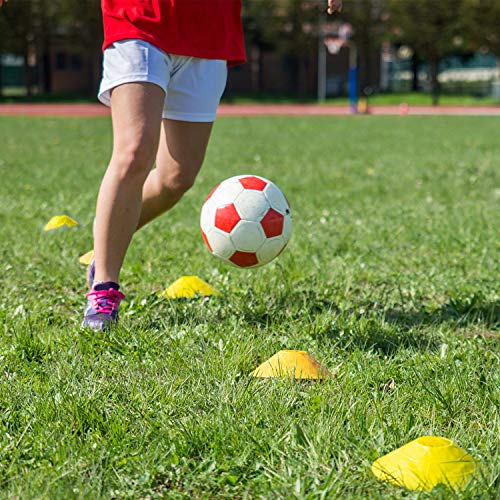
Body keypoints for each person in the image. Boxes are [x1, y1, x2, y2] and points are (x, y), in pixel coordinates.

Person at [1, 0, 343, 330]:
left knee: (175, 177)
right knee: (134, 151)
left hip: (208, 31)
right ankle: (104, 287)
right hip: (138, 18)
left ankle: (105, 249)